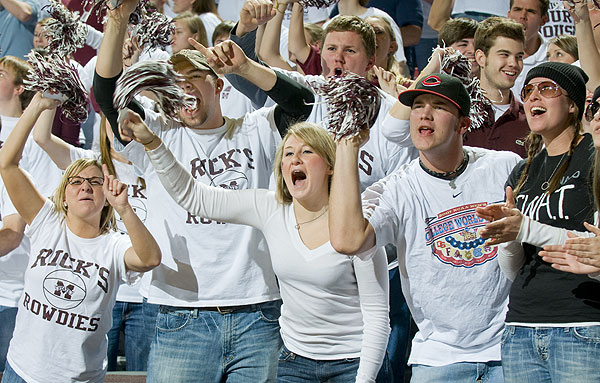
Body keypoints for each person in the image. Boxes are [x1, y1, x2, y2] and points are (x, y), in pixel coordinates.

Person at [94, 0, 315, 380]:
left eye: (193, 78)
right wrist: (118, 19)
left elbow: (303, 101)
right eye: (175, 83)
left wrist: (245, 66)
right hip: (182, 314)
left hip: (258, 313)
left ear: (216, 84)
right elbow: (106, 92)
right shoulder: (158, 133)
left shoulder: (255, 128)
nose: (184, 89)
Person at [117, 118, 390, 382]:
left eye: (307, 151)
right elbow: (194, 197)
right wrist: (153, 143)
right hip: (295, 362)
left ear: (330, 166)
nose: (295, 159)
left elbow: (378, 316)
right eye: (288, 153)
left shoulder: (355, 224)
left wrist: (364, 379)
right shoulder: (270, 207)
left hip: (353, 362)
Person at [329, 72, 522, 383]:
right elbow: (347, 240)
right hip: (438, 359)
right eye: (417, 105)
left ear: (464, 124)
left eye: (439, 106)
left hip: (509, 350)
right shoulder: (398, 188)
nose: (425, 114)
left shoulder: (504, 166)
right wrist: (347, 150)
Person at [0, 91, 161, 383]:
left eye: (94, 182)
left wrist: (125, 209)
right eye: (75, 181)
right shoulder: (47, 221)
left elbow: (150, 258)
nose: (85, 186)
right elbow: (7, 164)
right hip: (23, 372)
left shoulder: (113, 245)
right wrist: (36, 105)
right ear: (63, 196)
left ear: (106, 195)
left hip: (79, 378)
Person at [475, 61, 600, 382]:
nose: (533, 98)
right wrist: (506, 238)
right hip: (521, 327)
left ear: (573, 104)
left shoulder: (594, 157)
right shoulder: (521, 171)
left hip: (581, 324)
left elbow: (592, 248)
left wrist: (525, 228)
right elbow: (513, 269)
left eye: (547, 89)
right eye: (528, 91)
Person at [229, 8, 417, 191]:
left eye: (350, 51)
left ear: (370, 61)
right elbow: (244, 75)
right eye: (332, 49)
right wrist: (244, 30)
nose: (338, 58)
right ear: (320, 55)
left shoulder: (389, 114)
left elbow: (400, 190)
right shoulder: (305, 91)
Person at [32, 109, 157, 371]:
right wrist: (50, 98)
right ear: (103, 127)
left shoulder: (157, 166)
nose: (123, 130)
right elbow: (42, 138)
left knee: (140, 375)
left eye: (130, 123)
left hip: (146, 292)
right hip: (96, 290)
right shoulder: (90, 163)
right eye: (115, 122)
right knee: (92, 368)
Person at [468, 16, 529, 157]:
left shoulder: (530, 120)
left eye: (519, 56)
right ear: (481, 58)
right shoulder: (457, 111)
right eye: (504, 54)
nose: (513, 63)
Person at [507, 0, 550, 101]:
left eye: (531, 11)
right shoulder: (492, 53)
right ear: (508, 15)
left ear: (543, 20)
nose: (523, 16)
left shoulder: (553, 56)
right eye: (517, 9)